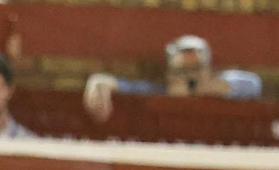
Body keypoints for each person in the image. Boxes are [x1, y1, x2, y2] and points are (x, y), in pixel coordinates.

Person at [83, 34, 261, 121]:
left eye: (196, 70)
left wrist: (217, 87)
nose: (190, 78)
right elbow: (123, 85)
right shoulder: (160, 91)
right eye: (183, 72)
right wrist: (98, 82)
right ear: (170, 75)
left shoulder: (224, 86)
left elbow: (254, 84)